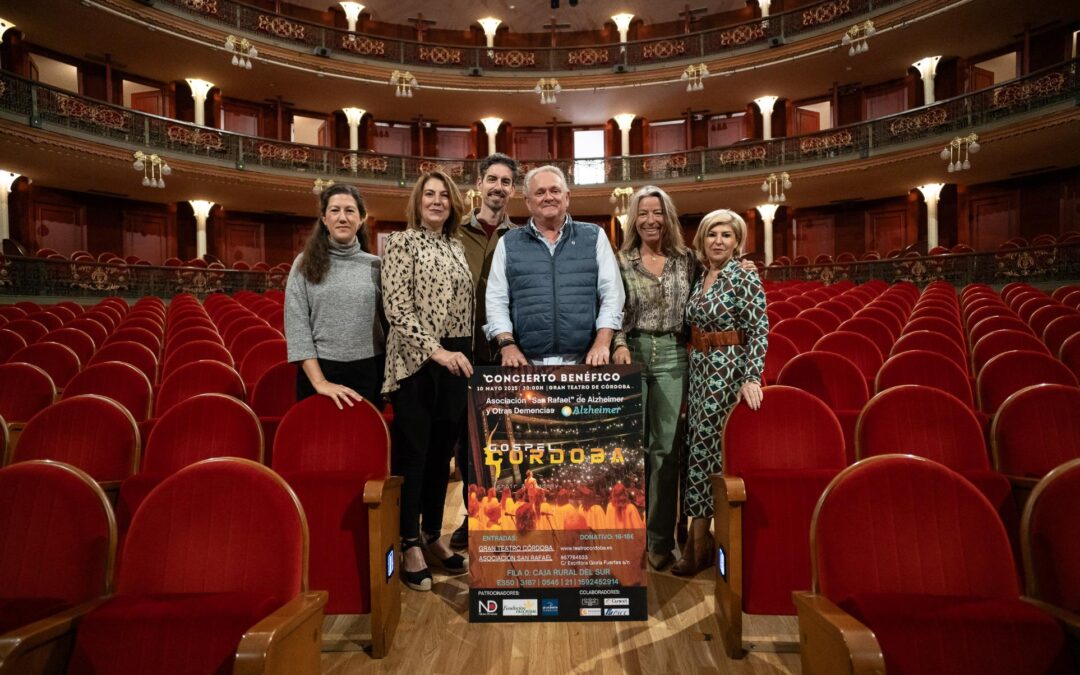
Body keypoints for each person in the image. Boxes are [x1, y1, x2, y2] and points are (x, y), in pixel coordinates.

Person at [382, 169, 474, 592]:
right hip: (416, 360)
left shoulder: (456, 246)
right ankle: (409, 543)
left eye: (444, 195)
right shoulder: (401, 243)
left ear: (452, 204)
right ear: (418, 203)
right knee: (414, 455)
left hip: (456, 359)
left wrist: (455, 354)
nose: (437, 201)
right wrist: (437, 352)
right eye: (429, 195)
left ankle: (433, 534)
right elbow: (397, 309)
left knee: (441, 456)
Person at [675, 209, 768, 576]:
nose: (718, 241)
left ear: (737, 241)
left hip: (727, 373)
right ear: (702, 239)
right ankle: (700, 540)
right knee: (696, 452)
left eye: (726, 235)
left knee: (708, 455)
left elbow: (759, 329)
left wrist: (752, 377)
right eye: (712, 234)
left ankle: (699, 544)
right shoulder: (701, 276)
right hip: (699, 370)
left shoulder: (743, 276)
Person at [610, 185, 697, 571]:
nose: (650, 220)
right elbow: (610, 309)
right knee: (632, 451)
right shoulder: (621, 261)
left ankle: (659, 539)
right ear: (634, 219)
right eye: (643, 213)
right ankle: (628, 535)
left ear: (668, 217)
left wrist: (740, 267)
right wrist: (618, 344)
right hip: (633, 352)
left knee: (665, 451)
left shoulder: (686, 259)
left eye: (657, 212)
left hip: (674, 353)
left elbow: (714, 281)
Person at [485, 165, 625, 366]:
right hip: (525, 364)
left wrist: (602, 342)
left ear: (567, 197)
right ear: (528, 202)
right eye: (540, 192)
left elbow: (612, 294)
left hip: (586, 362)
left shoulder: (595, 236)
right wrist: (507, 344)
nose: (548, 197)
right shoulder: (508, 242)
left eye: (555, 190)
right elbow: (496, 300)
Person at [451, 152, 519, 550]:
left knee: (505, 442)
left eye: (506, 182)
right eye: (492, 179)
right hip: (463, 353)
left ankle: (506, 515)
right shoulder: (453, 232)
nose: (498, 187)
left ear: (513, 190)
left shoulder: (520, 238)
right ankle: (473, 515)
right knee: (468, 444)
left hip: (504, 353)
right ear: (478, 184)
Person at [284, 184, 384, 409]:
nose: (342, 218)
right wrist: (320, 382)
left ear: (361, 219)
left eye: (350, 211)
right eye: (335, 210)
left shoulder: (376, 265)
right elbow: (297, 329)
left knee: (365, 432)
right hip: (320, 372)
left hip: (368, 372)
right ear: (324, 219)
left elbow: (388, 327)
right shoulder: (303, 263)